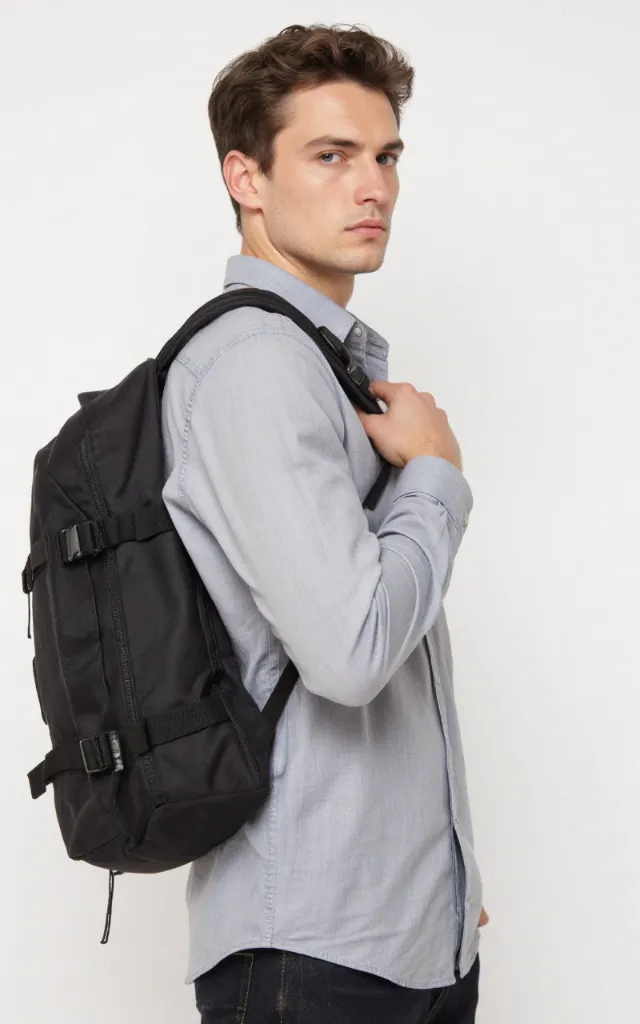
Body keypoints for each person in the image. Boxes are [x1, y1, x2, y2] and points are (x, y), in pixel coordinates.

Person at [161, 22, 488, 1024]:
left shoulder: (317, 364)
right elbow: (348, 653)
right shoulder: (255, 366)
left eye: (386, 155)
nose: (375, 186)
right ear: (245, 178)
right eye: (331, 155)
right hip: (310, 956)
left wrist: (437, 882)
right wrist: (435, 474)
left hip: (393, 940)